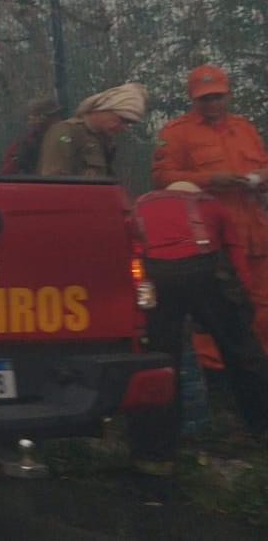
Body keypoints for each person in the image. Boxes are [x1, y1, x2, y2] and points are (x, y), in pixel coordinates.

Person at [127, 181, 268, 498]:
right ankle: (261, 425)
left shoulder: (140, 206)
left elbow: (132, 251)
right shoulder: (211, 205)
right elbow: (235, 254)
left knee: (159, 363)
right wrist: (239, 302)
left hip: (155, 277)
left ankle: (154, 456)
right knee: (241, 351)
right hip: (204, 270)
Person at [153, 64, 268, 367]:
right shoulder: (176, 133)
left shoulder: (244, 128)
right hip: (211, 238)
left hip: (255, 235)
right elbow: (163, 178)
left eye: (217, 96)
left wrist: (260, 176)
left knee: (263, 305)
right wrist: (209, 180)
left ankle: (258, 373)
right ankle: (217, 378)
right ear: (193, 99)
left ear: (227, 95)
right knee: (213, 308)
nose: (213, 104)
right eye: (205, 98)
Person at [36, 82, 148, 177]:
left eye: (129, 123)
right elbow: (54, 183)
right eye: (122, 119)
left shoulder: (102, 142)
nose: (124, 127)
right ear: (104, 108)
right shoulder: (66, 132)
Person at [1, 96, 63, 175]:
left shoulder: (63, 137)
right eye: (52, 116)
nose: (58, 119)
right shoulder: (25, 144)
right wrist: (17, 159)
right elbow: (6, 174)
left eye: (57, 116)